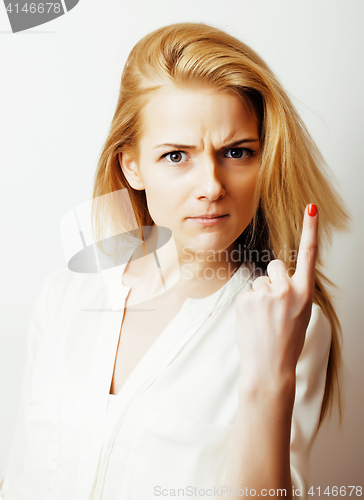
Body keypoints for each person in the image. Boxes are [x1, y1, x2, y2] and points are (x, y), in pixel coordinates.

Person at [0, 22, 351, 500]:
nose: (211, 184)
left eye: (236, 152)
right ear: (132, 166)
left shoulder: (293, 322)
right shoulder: (64, 295)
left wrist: (269, 377)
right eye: (176, 156)